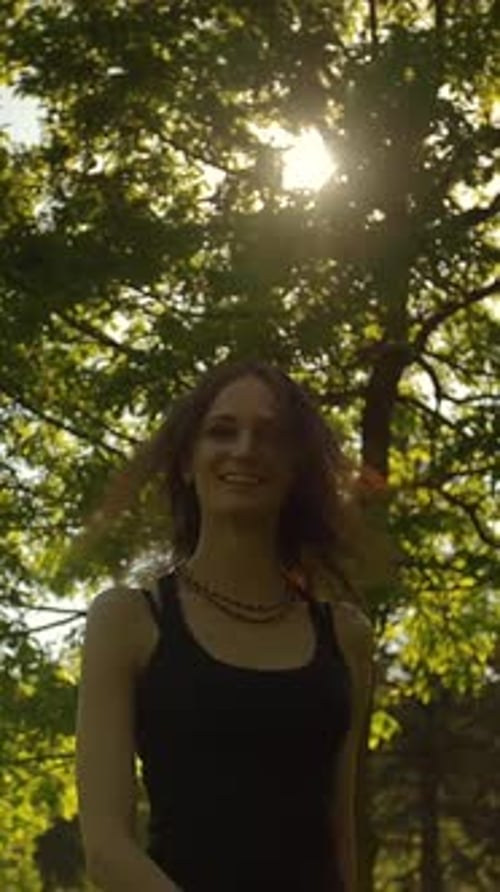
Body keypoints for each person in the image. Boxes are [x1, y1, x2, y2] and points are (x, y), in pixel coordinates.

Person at [76, 357, 374, 892]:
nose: (244, 450)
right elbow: (105, 848)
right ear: (189, 462)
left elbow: (342, 841)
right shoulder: (128, 620)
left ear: (296, 468)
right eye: (221, 431)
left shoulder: (346, 636)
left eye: (270, 435)